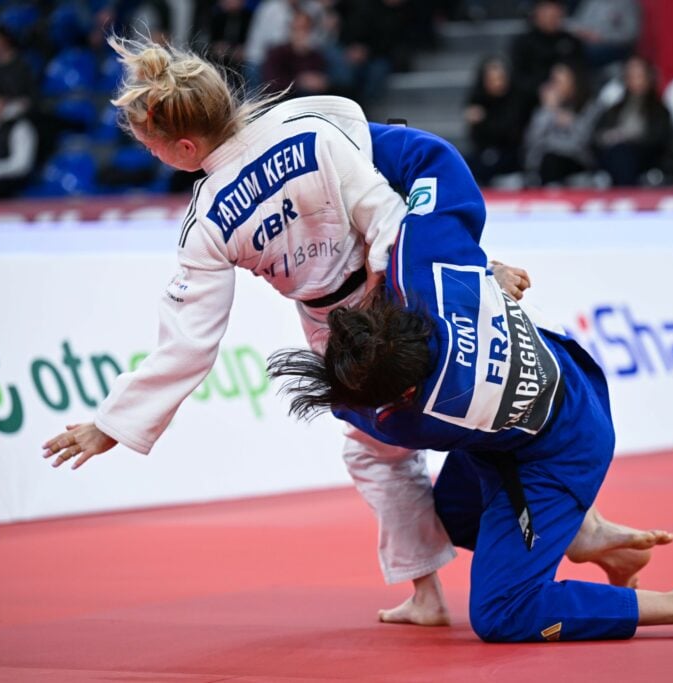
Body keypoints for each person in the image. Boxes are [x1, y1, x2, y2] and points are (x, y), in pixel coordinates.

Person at [41, 33, 537, 627]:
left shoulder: (207, 221)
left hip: (339, 328)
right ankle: (566, 517)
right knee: (478, 401)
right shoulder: (311, 129)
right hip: (403, 285)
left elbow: (189, 346)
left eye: (153, 147)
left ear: (185, 146)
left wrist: (110, 424)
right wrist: (459, 279)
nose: (153, 157)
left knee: (379, 450)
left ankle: (429, 594)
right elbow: (389, 217)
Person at [266, 178, 673, 643]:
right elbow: (432, 163)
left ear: (403, 392)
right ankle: (584, 532)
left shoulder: (411, 418)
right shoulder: (427, 288)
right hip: (554, 387)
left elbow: (352, 410)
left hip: (560, 446)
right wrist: (487, 274)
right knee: (454, 518)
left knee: (502, 610)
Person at [592, 56, 670, 186]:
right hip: (612, 154)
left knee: (623, 154)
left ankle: (625, 191)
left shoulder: (658, 110)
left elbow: (659, 138)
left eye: (639, 76)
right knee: (618, 153)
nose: (635, 81)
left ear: (649, 77)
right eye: (631, 76)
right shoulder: (615, 108)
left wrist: (629, 137)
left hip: (642, 156)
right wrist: (609, 137)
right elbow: (596, 135)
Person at [523, 62, 601, 186]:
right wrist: (547, 110)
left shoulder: (589, 105)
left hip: (576, 161)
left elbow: (584, 141)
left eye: (560, 81)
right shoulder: (545, 108)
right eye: (553, 81)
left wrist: (572, 122)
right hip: (545, 162)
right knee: (549, 159)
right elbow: (531, 141)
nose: (556, 86)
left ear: (573, 82)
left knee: (553, 159)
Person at [463, 57, 525, 185]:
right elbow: (476, 139)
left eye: (500, 78)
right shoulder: (478, 100)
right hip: (484, 153)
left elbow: (511, 134)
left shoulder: (516, 99)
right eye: (492, 79)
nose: (497, 83)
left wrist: (484, 121)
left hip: (511, 154)